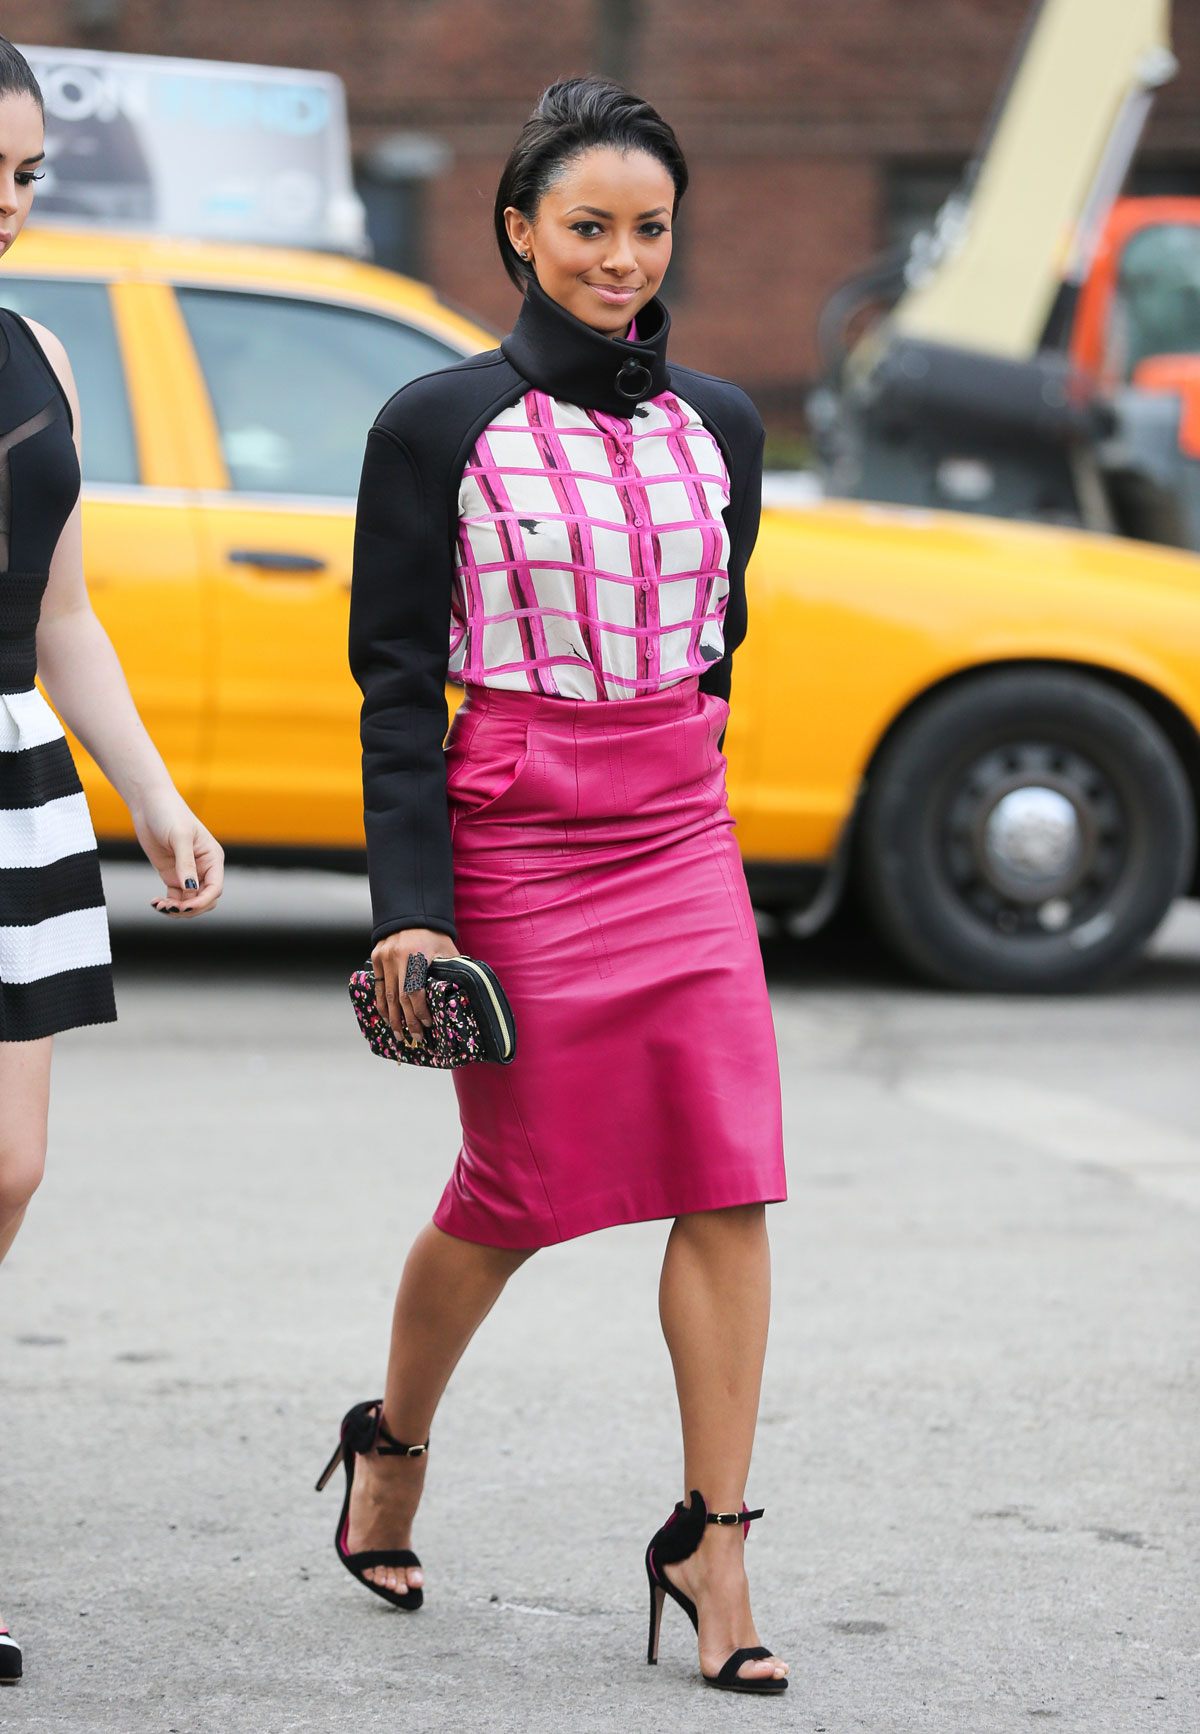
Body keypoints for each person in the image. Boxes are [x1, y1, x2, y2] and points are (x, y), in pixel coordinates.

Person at [325, 76, 788, 1695]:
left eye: (648, 228)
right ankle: (391, 1436)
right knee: (517, 1194)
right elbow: (393, 681)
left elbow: (722, 634)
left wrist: (684, 758)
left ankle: (714, 1539)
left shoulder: (721, 423)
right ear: (518, 232)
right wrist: (409, 904)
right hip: (517, 834)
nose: (620, 258)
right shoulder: (436, 423)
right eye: (587, 227)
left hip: (679, 826)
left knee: (728, 1174)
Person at [0, 39, 224, 1685]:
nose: (12, 209)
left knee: (8, 1169)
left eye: (25, 179)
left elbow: (65, 611)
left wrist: (150, 791)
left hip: (12, 776)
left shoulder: (39, 354)